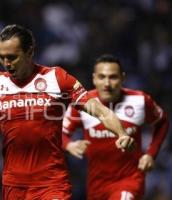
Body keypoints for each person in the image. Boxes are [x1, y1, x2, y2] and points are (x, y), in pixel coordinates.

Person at [0, 24, 134, 200]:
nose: (6, 63)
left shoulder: (56, 78)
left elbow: (101, 112)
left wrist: (121, 133)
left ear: (30, 52)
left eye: (12, 57)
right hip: (14, 186)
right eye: (1, 57)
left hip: (52, 183)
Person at [62, 54, 169, 200]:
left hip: (129, 180)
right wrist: (69, 145)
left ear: (122, 78)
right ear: (94, 79)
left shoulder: (140, 100)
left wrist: (151, 154)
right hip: (96, 185)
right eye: (101, 77)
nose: (107, 83)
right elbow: (60, 133)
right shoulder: (82, 105)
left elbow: (162, 122)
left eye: (113, 77)